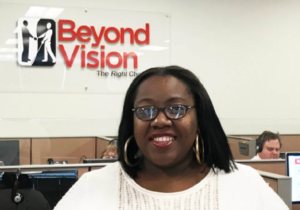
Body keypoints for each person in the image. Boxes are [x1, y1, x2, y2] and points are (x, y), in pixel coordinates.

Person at [54, 66, 288, 210]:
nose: (160, 121)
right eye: (145, 111)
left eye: (176, 109)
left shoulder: (244, 184)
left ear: (200, 119)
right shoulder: (93, 187)